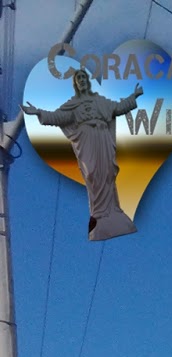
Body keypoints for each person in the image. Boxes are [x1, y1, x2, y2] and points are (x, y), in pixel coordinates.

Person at [22, 70, 141, 241]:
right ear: (75, 84)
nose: (82, 81)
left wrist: (134, 96)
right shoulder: (72, 105)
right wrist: (38, 112)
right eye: (79, 79)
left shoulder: (100, 100)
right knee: (92, 173)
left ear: (88, 81)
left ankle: (112, 211)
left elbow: (117, 108)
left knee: (107, 172)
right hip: (87, 139)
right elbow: (58, 117)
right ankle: (99, 213)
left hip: (102, 136)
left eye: (84, 78)